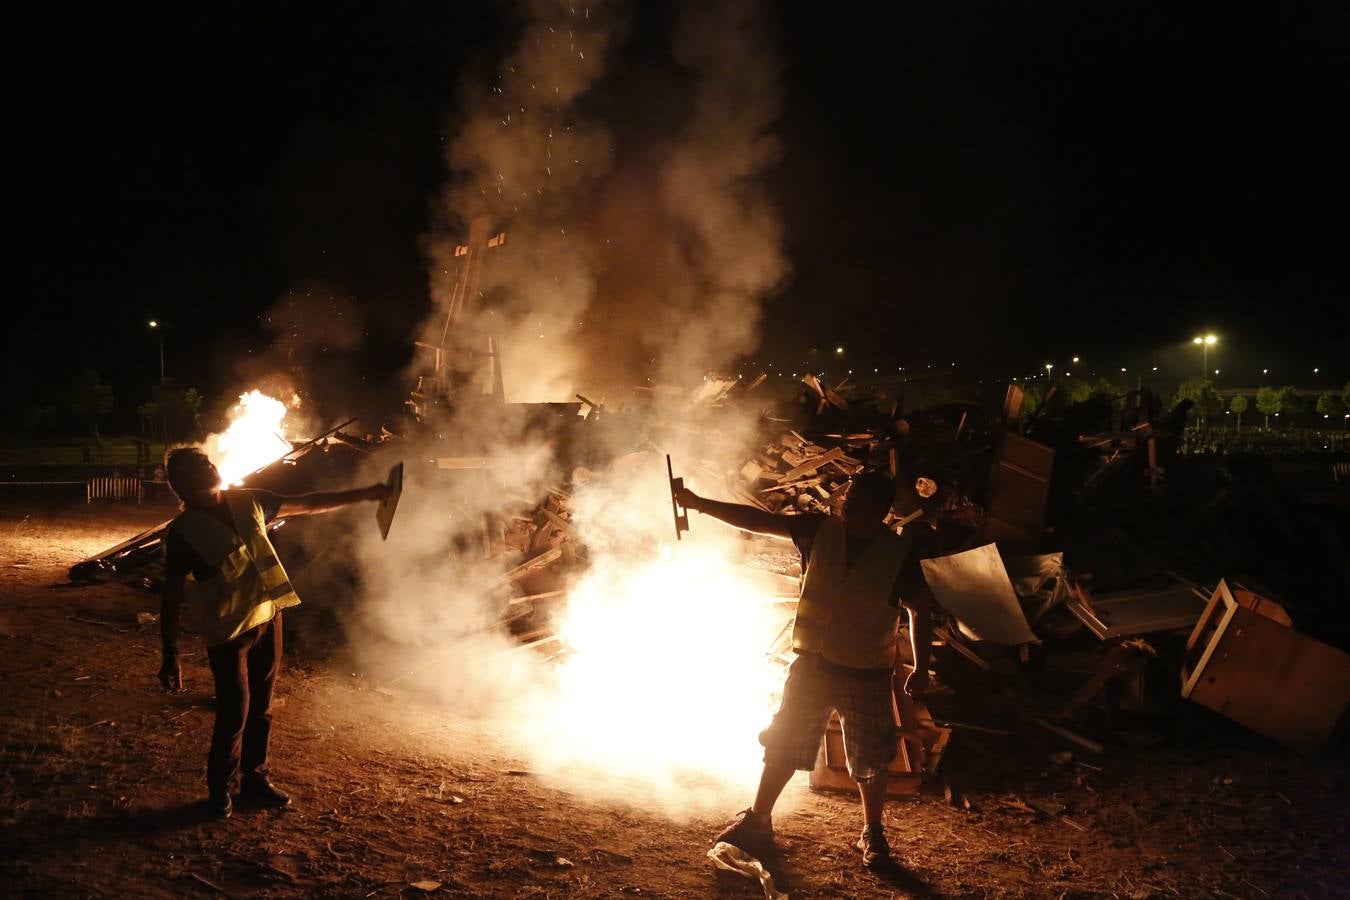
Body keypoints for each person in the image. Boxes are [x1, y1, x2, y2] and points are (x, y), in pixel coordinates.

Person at [675, 469, 937, 870]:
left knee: (871, 756)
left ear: (881, 510)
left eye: (858, 502)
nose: (847, 506)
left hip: (866, 668)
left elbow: (921, 609)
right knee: (784, 740)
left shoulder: (897, 556)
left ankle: (873, 833)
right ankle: (758, 819)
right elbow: (760, 521)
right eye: (848, 499)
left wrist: (920, 667)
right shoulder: (819, 531)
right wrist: (700, 504)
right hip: (814, 661)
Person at [158, 446, 390, 818]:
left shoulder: (249, 501)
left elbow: (310, 504)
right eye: (199, 467)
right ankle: (219, 789)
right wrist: (170, 653)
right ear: (181, 484)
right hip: (229, 632)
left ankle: (255, 778)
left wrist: (368, 493)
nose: (210, 466)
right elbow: (170, 596)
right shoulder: (182, 533)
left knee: (261, 708)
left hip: (268, 617)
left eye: (208, 461)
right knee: (234, 712)